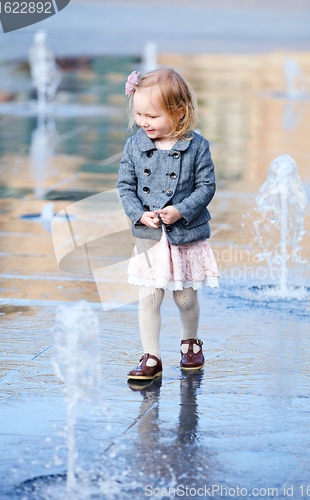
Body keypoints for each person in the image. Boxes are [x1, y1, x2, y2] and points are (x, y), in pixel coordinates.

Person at [116, 68, 220, 380]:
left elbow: (206, 187)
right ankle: (151, 356)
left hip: (184, 233)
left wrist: (181, 210)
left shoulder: (196, 146)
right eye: (138, 114)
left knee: (185, 297)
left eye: (151, 116)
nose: (143, 122)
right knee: (149, 295)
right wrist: (138, 213)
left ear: (178, 112)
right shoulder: (135, 145)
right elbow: (125, 185)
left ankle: (190, 343)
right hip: (150, 234)